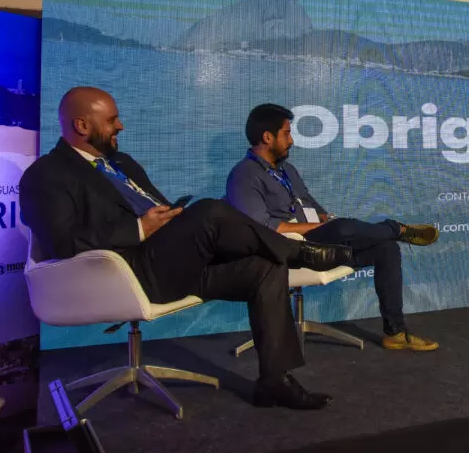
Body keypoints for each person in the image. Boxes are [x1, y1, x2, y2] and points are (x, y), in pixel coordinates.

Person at [20, 87, 354, 410]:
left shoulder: (122, 163)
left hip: (173, 261)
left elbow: (156, 207)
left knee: (264, 267)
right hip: (129, 273)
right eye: (111, 120)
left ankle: (274, 381)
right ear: (82, 125)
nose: (120, 126)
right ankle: (300, 253)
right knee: (210, 211)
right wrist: (139, 228)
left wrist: (171, 218)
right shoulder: (46, 174)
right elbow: (60, 242)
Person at [226, 103, 441, 351]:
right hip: (285, 251)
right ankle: (397, 228)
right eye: (286, 133)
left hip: (316, 245)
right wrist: (324, 227)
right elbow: (264, 228)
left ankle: (395, 332)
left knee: (386, 249)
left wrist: (326, 219)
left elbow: (311, 206)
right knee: (342, 229)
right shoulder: (244, 175)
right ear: (267, 137)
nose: (291, 140)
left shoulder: (287, 170)